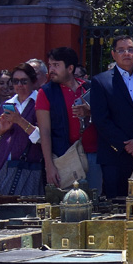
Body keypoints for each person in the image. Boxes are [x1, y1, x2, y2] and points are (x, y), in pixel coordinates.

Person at [89, 35, 133, 198]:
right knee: (117, 206)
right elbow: (101, 119)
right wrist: (126, 145)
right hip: (115, 155)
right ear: (113, 54)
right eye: (121, 50)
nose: (126, 53)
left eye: (130, 49)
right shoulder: (101, 81)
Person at [37, 47, 100, 193]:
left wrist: (89, 112)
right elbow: (44, 131)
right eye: (50, 65)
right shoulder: (45, 92)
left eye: (56, 65)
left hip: (94, 155)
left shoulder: (90, 88)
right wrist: (49, 166)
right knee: (69, 205)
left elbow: (106, 118)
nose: (51, 69)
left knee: (95, 204)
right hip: (64, 157)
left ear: (70, 68)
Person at [0, 63, 44, 197]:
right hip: (4, 167)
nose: (19, 85)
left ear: (33, 82)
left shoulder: (40, 103)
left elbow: (42, 138)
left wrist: (20, 121)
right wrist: (1, 130)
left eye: (24, 81)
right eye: (16, 81)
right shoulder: (8, 104)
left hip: (29, 169)